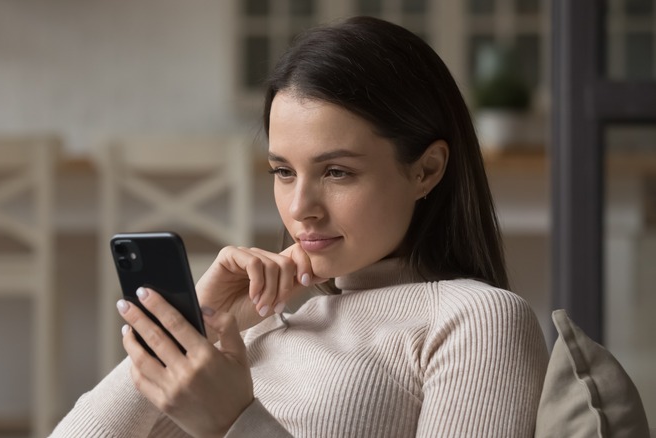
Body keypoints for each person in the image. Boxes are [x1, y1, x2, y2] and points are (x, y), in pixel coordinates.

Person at [51, 16, 548, 437]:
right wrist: (196, 323)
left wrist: (234, 419)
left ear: (426, 170)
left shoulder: (476, 319)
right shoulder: (260, 326)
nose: (299, 208)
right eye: (283, 172)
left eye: (337, 172)